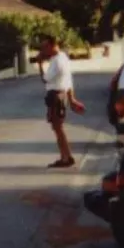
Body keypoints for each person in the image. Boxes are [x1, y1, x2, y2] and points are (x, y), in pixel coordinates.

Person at [38, 34, 85, 167]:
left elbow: (45, 79)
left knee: (58, 128)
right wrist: (71, 99)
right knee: (57, 127)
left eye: (45, 46)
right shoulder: (62, 58)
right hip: (61, 94)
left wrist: (40, 64)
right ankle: (65, 156)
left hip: (56, 96)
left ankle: (67, 157)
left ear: (53, 45)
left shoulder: (57, 61)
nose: (44, 50)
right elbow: (68, 81)